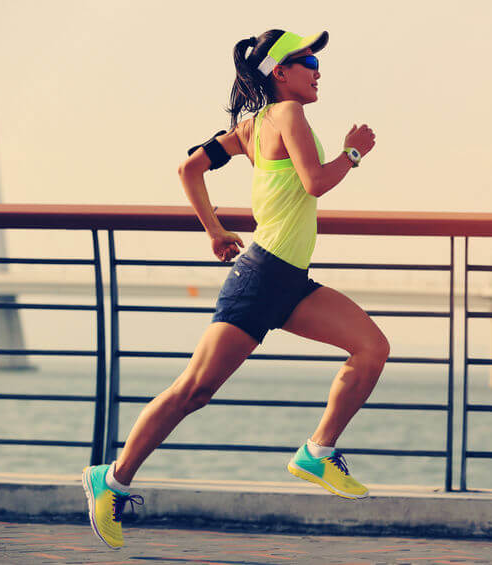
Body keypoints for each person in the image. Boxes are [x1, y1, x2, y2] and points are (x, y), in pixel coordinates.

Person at [81, 29, 387, 550]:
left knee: (371, 348)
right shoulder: (287, 115)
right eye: (307, 60)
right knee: (193, 391)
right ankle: (110, 480)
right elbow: (315, 182)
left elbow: (189, 167)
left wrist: (216, 231)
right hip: (262, 276)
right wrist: (353, 154)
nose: (317, 70)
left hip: (288, 281)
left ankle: (317, 452)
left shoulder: (251, 125)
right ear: (279, 73)